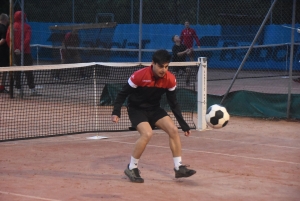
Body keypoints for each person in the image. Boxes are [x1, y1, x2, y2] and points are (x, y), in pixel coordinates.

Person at [111, 49, 196, 183]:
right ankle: (132, 167)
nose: (164, 70)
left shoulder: (170, 79)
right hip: (136, 109)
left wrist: (184, 125)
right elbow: (122, 94)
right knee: (147, 134)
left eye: (166, 66)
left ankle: (178, 167)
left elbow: (173, 104)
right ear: (153, 64)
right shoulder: (139, 76)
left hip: (154, 109)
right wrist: (116, 112)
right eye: (161, 66)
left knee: (173, 130)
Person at [6, 11, 37, 97]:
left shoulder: (11, 26)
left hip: (15, 52)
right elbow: (27, 39)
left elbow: (8, 39)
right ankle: (32, 90)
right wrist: (20, 49)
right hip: (25, 52)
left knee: (17, 71)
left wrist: (14, 49)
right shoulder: (27, 27)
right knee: (29, 71)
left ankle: (18, 89)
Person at [0, 13, 9, 93]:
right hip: (2, 53)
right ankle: (1, 87)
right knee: (4, 69)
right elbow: (3, 40)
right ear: (5, 20)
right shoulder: (4, 29)